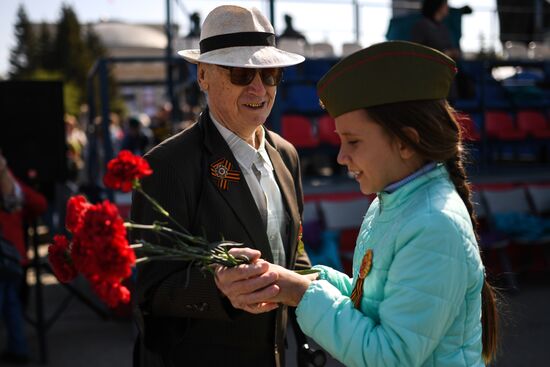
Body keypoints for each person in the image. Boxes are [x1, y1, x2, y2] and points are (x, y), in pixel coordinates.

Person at [216, 41, 500, 366]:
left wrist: (300, 293)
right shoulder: (393, 201)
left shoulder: (433, 223)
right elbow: (374, 300)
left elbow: (389, 356)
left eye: (353, 141)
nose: (341, 156)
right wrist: (307, 279)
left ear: (406, 142)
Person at [130, 5, 310, 367]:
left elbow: (292, 246)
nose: (259, 87)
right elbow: (149, 291)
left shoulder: (286, 155)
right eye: (241, 73)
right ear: (203, 76)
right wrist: (216, 286)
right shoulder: (167, 166)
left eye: (270, 72)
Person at [0, 151, 47, 364]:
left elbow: (37, 203)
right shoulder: (9, 180)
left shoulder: (8, 182)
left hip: (8, 258)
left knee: (11, 303)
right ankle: (18, 349)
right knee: (12, 304)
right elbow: (36, 204)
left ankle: (18, 349)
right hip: (12, 258)